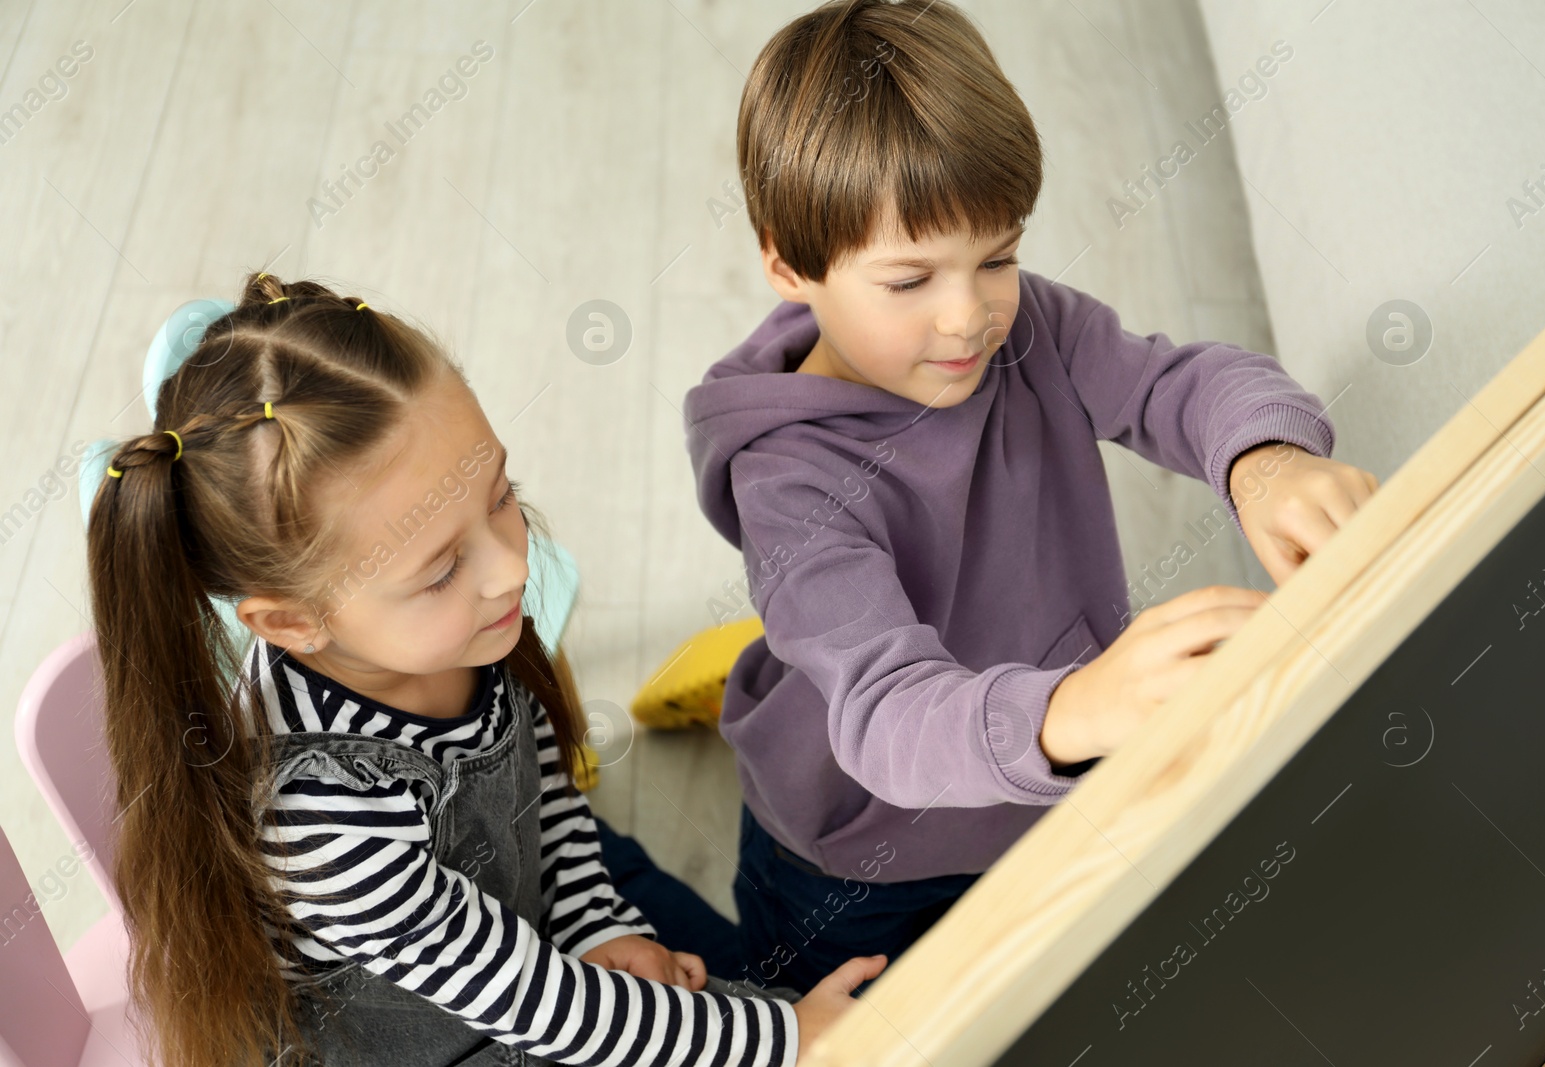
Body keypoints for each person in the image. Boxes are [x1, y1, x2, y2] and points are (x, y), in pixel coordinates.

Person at [652, 0, 1380, 993]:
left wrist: (1264, 460)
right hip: (857, 855)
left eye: (996, 255)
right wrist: (1077, 706)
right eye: (909, 279)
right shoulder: (787, 478)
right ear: (788, 263)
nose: (969, 314)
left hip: (1050, 781)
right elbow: (887, 718)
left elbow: (1177, 384)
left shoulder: (1028, 324)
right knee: (849, 1020)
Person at [84, 273, 883, 1067]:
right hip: (463, 1033)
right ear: (293, 621)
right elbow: (541, 1004)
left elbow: (545, 793)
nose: (508, 568)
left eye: (501, 495)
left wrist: (599, 923)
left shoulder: (451, 629)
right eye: (440, 568)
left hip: (520, 950)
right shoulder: (322, 818)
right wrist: (783, 1035)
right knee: (777, 1024)